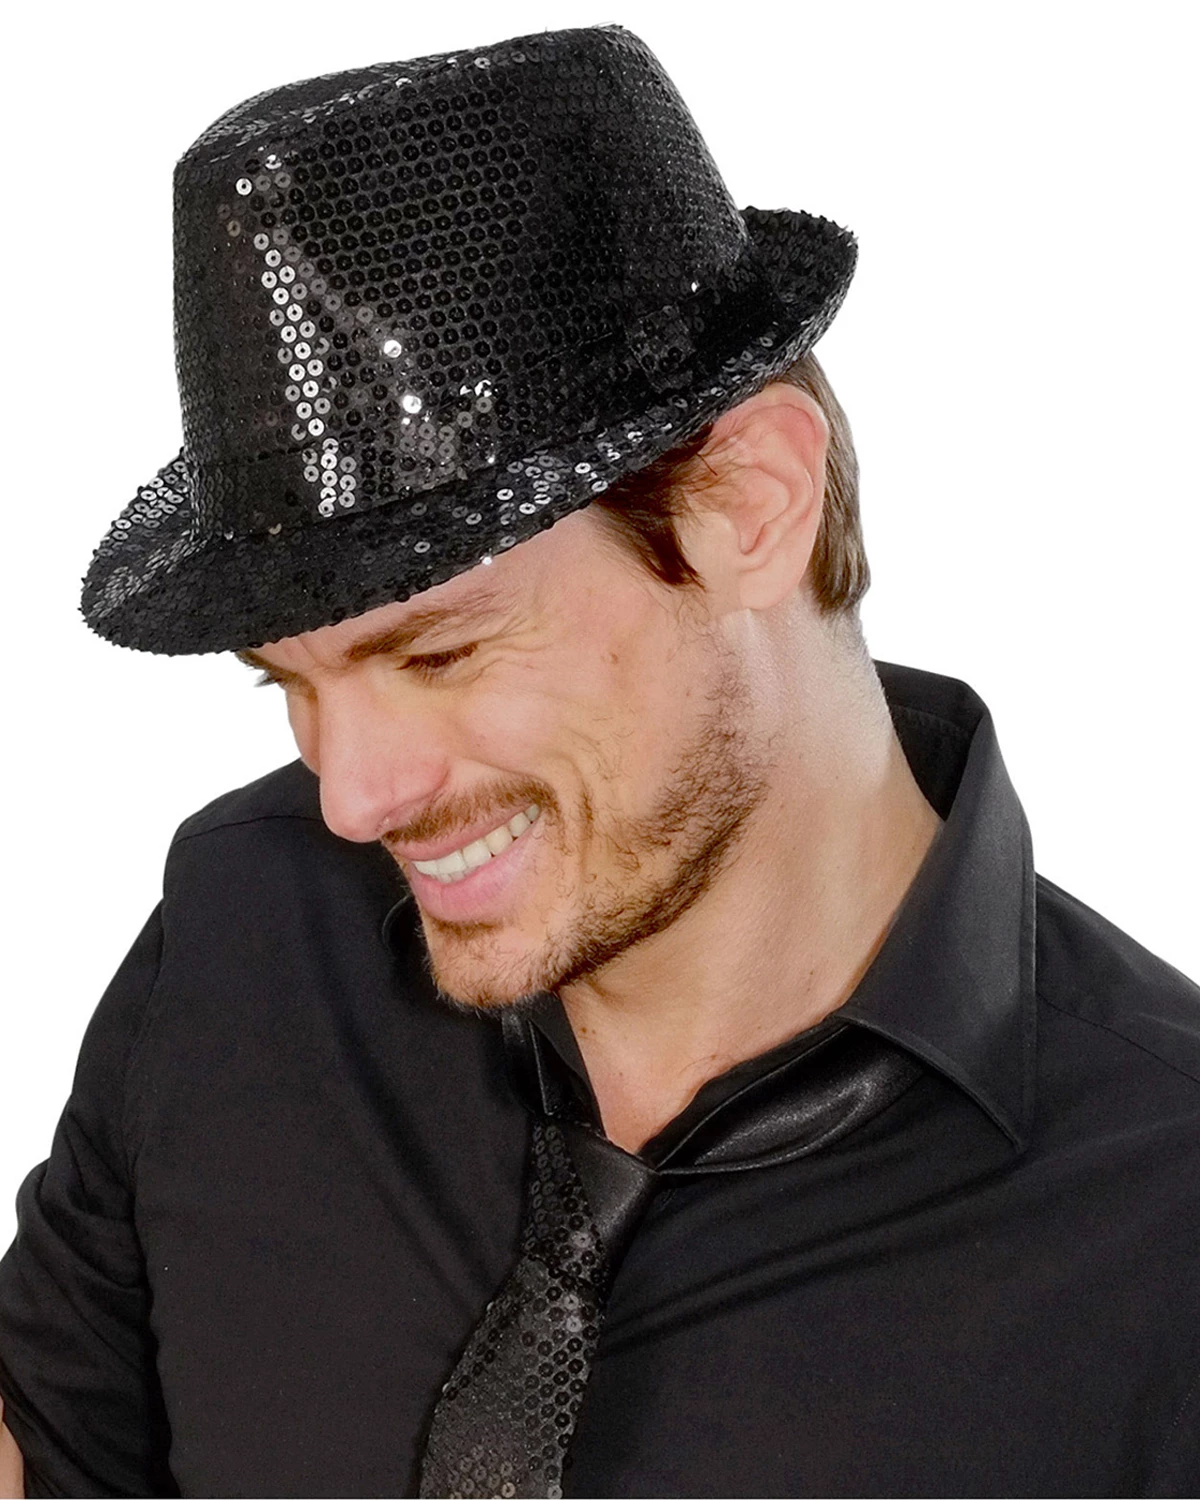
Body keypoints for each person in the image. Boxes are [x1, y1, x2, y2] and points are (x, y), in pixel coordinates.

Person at [1, 23, 1197, 1500]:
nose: (354, 797)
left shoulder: (1166, 1230)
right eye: (288, 684)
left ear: (747, 504)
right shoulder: (248, 930)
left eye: (440, 655)